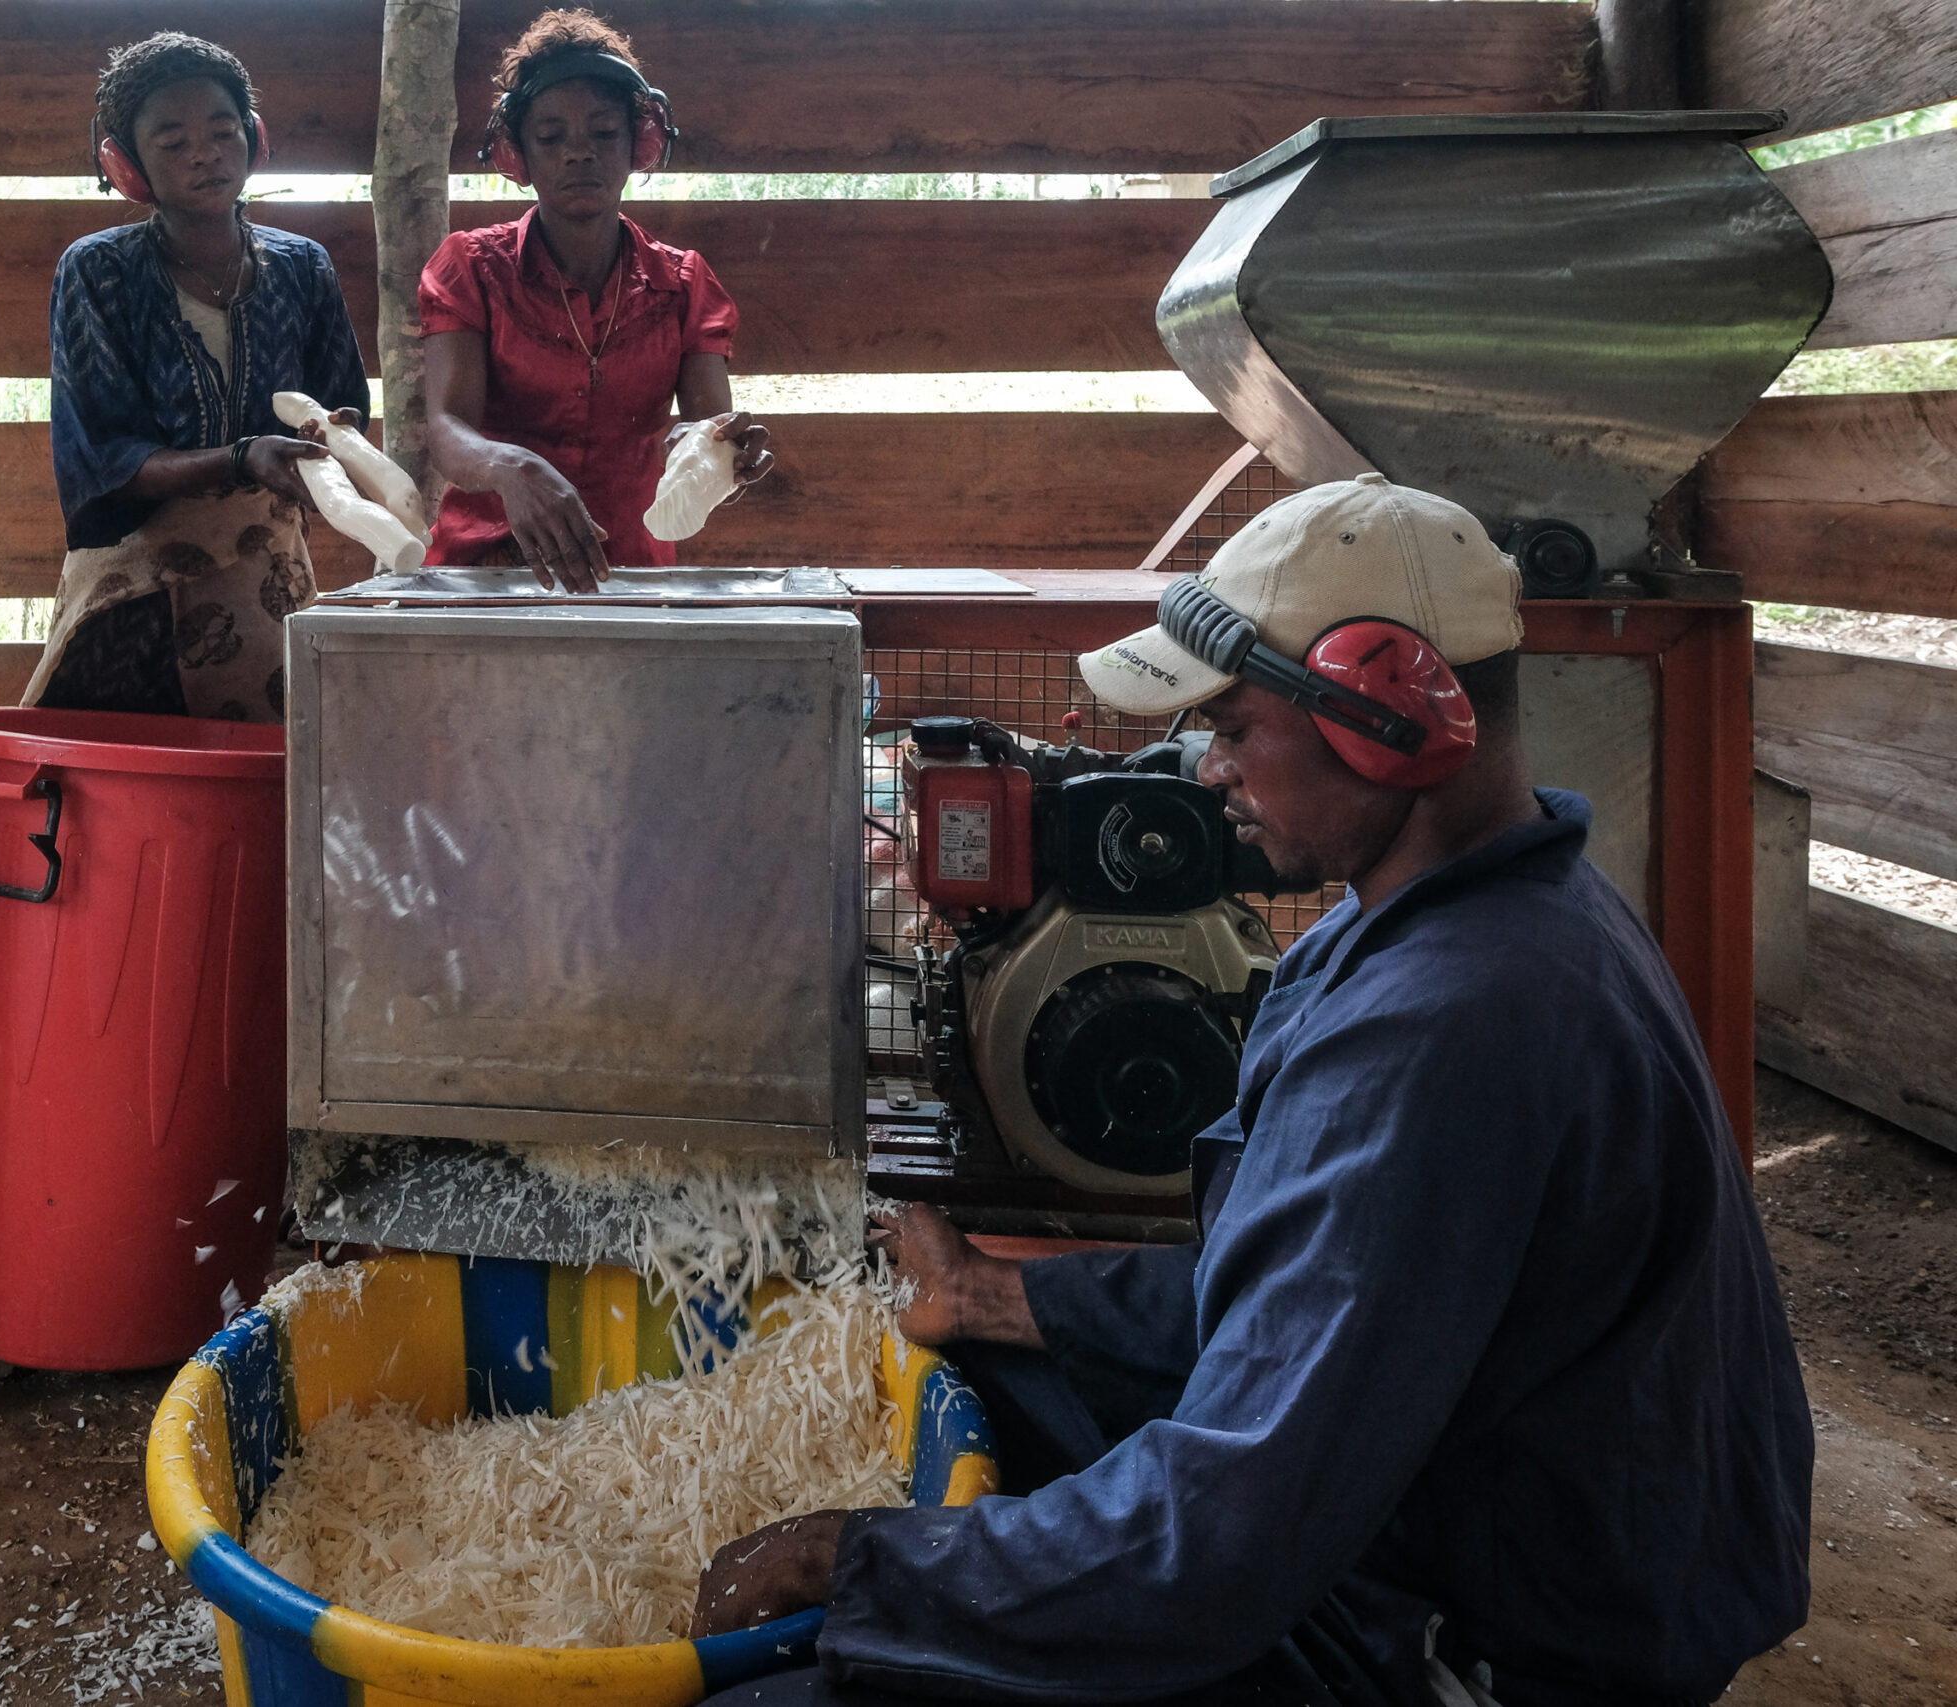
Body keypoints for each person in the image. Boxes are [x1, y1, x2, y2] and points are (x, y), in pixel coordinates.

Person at [693, 475, 1813, 1707]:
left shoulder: (1447, 1028)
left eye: (1232, 727)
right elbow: (1300, 1286)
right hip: (1444, 1501)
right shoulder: (1472, 911)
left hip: (1481, 1648)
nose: (1204, 767)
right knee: (983, 1388)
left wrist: (857, 1567)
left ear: (1389, 718)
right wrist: (991, 1296)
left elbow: (1218, 1544)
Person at [24, 31, 371, 721]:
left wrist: (330, 436)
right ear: (129, 166)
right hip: (135, 604)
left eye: (221, 131)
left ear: (254, 137)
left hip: (268, 587)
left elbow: (342, 407)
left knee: (272, 800)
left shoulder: (303, 268)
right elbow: (109, 459)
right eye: (173, 141)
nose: (205, 154)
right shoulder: (97, 272)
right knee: (127, 807)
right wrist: (244, 456)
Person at [419, 9, 773, 593]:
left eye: (604, 133)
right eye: (551, 137)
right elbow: (447, 426)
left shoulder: (682, 284)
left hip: (630, 576)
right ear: (519, 155)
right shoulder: (472, 268)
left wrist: (718, 451)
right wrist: (513, 467)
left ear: (640, 142)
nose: (578, 153)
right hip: (484, 572)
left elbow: (705, 426)